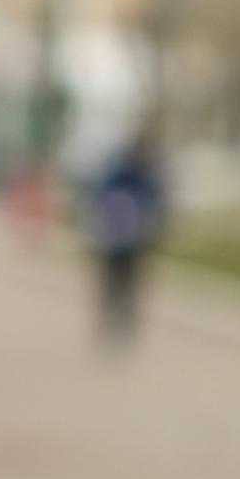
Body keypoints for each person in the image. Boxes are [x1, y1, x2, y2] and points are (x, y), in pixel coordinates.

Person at [83, 123, 170, 345]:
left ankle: (121, 316)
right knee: (115, 276)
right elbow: (103, 196)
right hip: (116, 233)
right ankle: (111, 314)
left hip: (132, 235)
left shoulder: (146, 172)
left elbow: (155, 201)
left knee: (127, 278)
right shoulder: (122, 169)